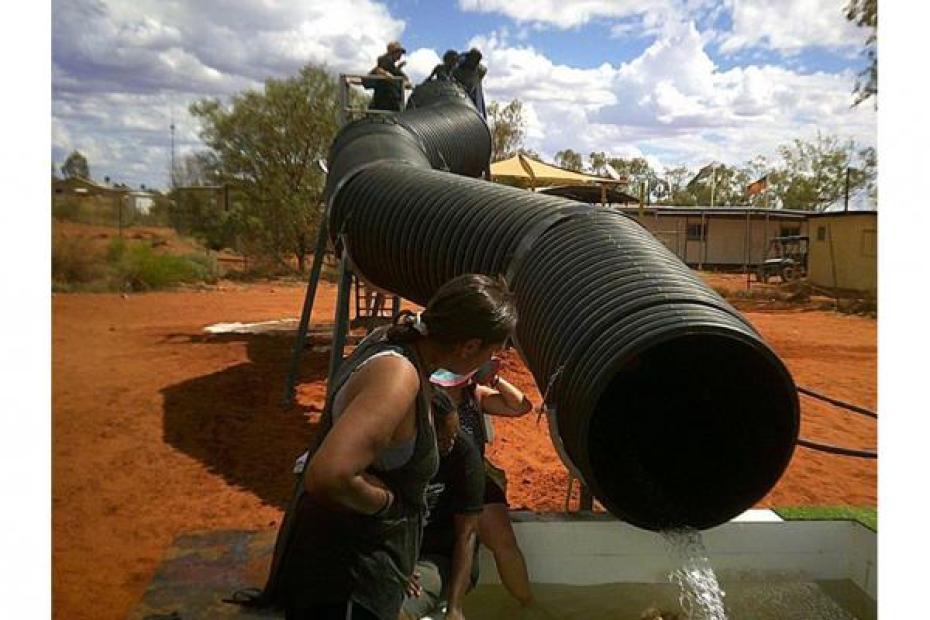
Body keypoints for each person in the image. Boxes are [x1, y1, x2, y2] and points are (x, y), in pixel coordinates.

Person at [280, 274, 517, 620]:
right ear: (469, 346)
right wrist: (392, 506)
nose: (488, 362)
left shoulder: (394, 344)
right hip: (346, 584)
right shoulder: (397, 375)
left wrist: (445, 411)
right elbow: (330, 476)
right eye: (490, 353)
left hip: (352, 577)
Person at [443, 353, 535, 606]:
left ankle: (527, 604)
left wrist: (495, 380)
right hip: (435, 481)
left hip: (473, 477)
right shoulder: (422, 396)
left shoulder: (475, 396)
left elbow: (521, 406)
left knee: (504, 542)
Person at [400, 392, 484, 620]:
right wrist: (397, 563)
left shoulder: (463, 455)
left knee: (397, 610)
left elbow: (466, 535)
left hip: (439, 557)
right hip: (399, 553)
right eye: (442, 439)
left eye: (454, 435)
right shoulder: (394, 451)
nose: (450, 443)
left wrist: (455, 608)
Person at [369, 41, 411, 112]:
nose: (400, 55)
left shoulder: (389, 63)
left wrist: (398, 69)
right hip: (387, 101)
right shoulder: (386, 61)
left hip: (387, 100)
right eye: (399, 52)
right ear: (393, 52)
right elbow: (380, 71)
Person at [452, 48, 487, 118]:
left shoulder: (480, 71)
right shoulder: (457, 67)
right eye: (473, 61)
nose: (474, 64)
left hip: (473, 97)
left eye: (476, 62)